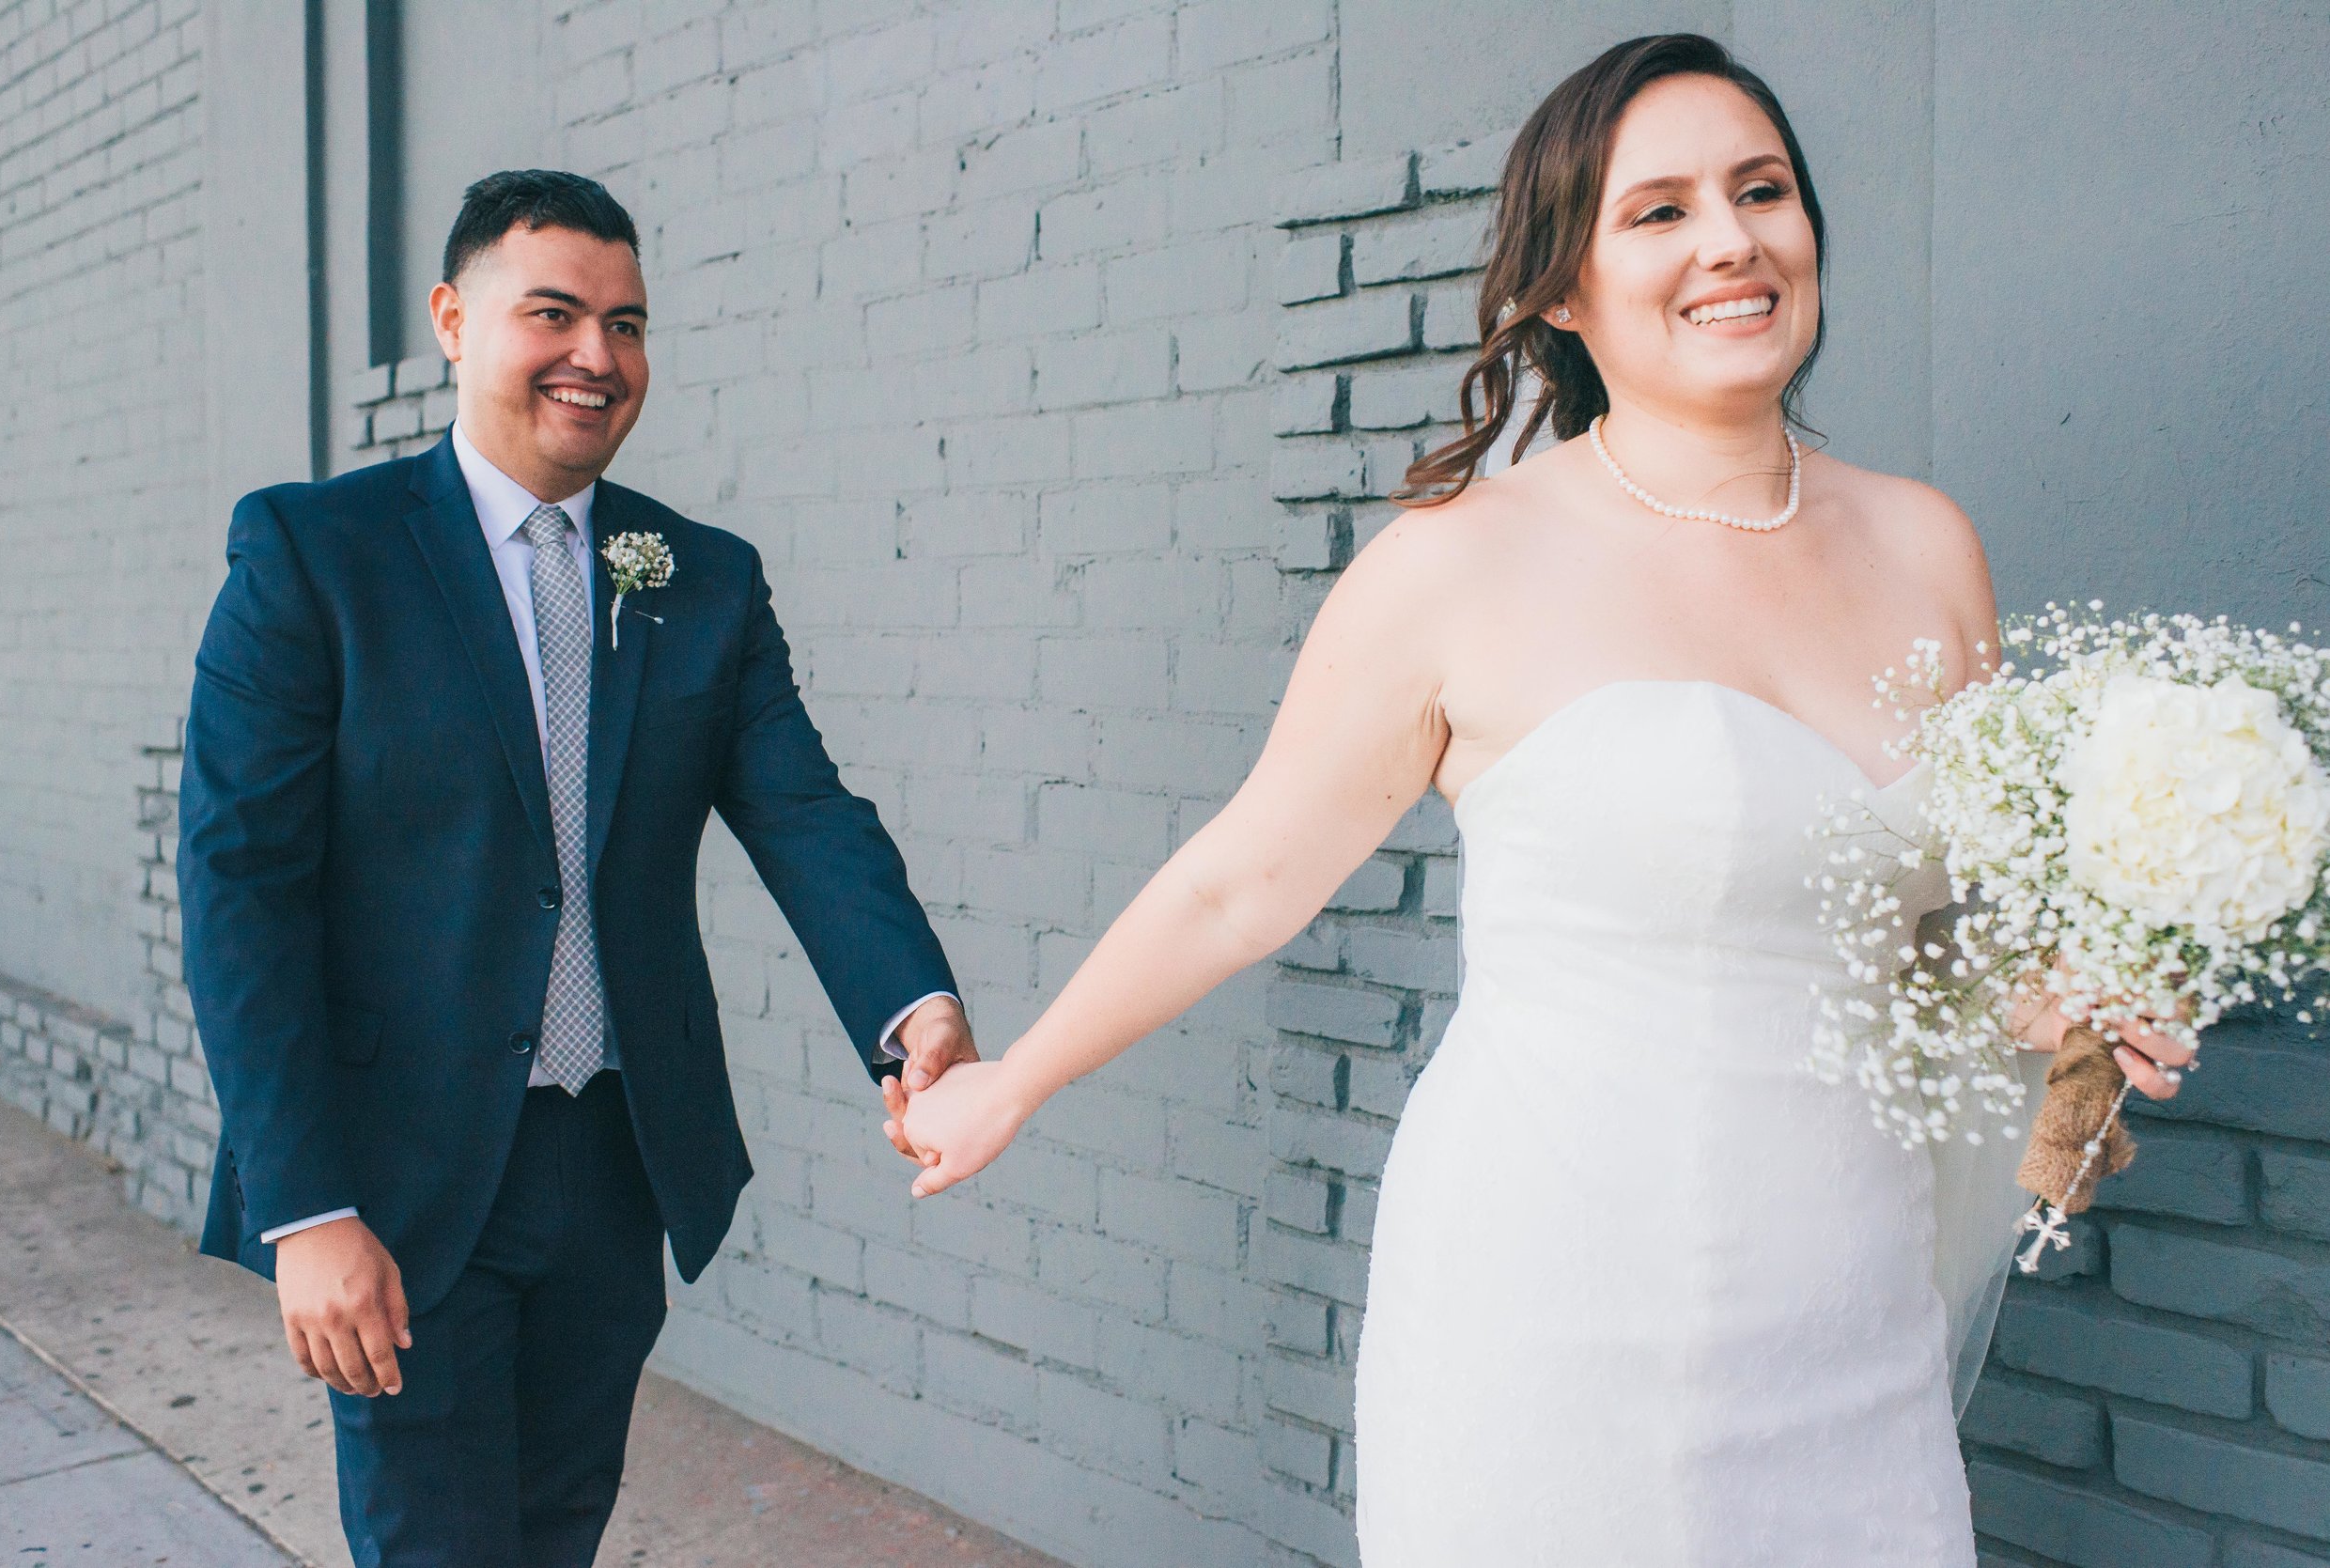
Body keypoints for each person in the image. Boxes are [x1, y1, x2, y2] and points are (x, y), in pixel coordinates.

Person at [887, 35, 2192, 1564]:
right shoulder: (1461, 558)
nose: (1730, 240)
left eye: (1761, 191)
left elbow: (1928, 936)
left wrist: (2066, 1007)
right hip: (1549, 1296)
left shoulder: (1925, 545)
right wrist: (1016, 1077)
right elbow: (1244, 879)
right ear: (1563, 286)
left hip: (1845, 1292)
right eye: (1659, 211)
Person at [179, 169, 972, 1567]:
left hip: (613, 1168)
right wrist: (306, 1206)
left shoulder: (688, 573)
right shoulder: (317, 552)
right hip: (403, 1179)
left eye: (628, 322)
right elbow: (239, 889)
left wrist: (913, 1009)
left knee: (554, 1537)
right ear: (452, 318)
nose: (597, 356)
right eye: (553, 312)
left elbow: (803, 811)